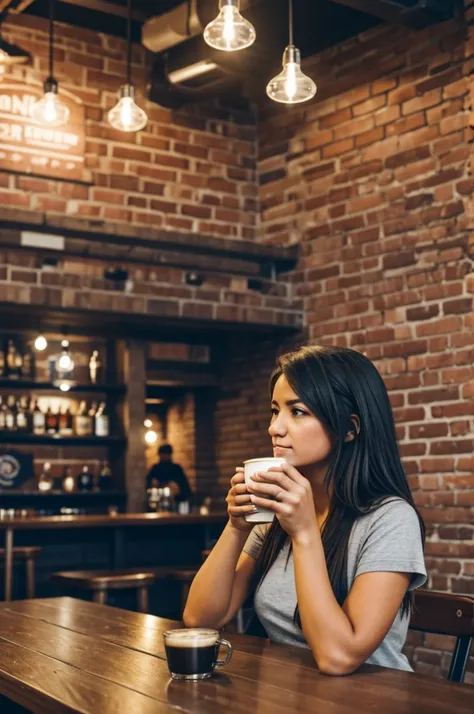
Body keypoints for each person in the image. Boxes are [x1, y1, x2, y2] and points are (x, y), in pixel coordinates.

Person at [183, 345, 426, 675]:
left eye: (297, 411)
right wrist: (237, 525)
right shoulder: (277, 513)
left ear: (350, 428)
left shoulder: (391, 520)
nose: (275, 427)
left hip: (368, 700)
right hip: (287, 692)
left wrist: (305, 531)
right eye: (274, 410)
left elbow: (338, 657)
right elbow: (201, 620)